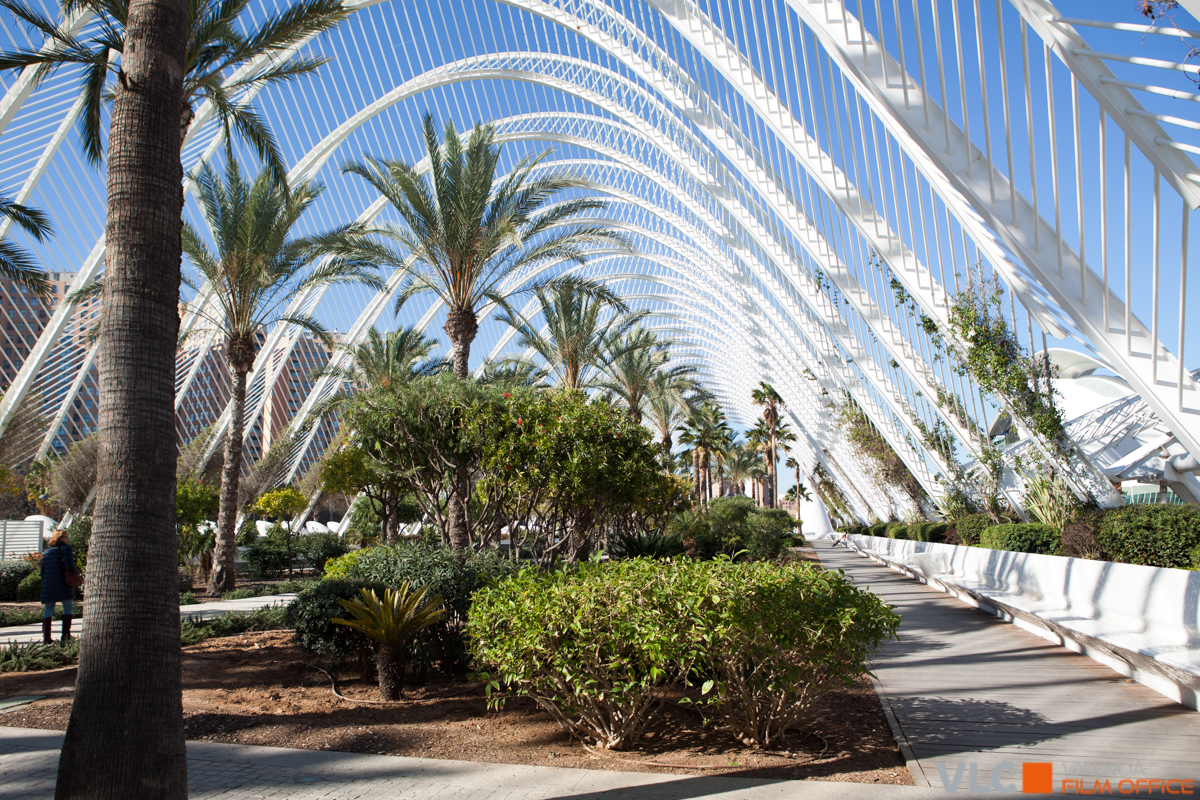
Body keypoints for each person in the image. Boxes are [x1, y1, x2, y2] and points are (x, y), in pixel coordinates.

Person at [41, 528, 78, 644]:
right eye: (66, 537)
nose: (67, 539)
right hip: (63, 584)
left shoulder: (46, 552)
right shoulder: (66, 549)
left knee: (48, 610)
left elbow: (42, 571)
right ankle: (65, 636)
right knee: (68, 608)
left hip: (48, 585)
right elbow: (69, 566)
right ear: (61, 538)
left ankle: (47, 638)